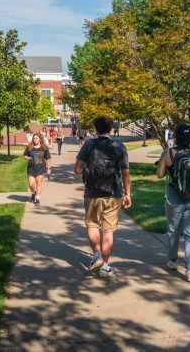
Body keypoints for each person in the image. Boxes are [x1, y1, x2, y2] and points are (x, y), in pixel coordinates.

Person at [74, 116, 131, 278]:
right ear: (111, 129)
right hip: (114, 193)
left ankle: (96, 255)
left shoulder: (89, 145)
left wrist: (89, 168)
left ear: (95, 129)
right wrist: (128, 194)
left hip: (92, 192)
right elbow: (126, 173)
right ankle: (105, 266)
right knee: (108, 231)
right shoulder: (119, 146)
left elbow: (77, 169)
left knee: (92, 225)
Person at [156, 123, 190, 282]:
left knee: (173, 229)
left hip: (174, 197)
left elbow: (159, 174)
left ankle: (172, 260)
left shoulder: (168, 153)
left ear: (176, 137)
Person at [23, 133, 51, 205]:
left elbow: (48, 159)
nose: (35, 139)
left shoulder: (44, 147)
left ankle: (37, 198)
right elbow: (25, 155)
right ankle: (33, 193)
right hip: (31, 168)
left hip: (41, 168)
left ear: (40, 139)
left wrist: (48, 168)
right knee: (31, 184)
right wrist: (28, 158)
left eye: (37, 138)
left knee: (39, 182)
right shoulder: (30, 147)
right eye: (34, 138)